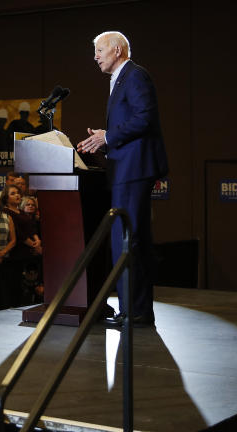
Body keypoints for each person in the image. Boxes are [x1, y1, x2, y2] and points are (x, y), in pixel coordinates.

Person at [76, 31, 168, 327]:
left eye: (99, 50)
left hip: (134, 169)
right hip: (124, 168)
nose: (95, 56)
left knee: (129, 239)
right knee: (126, 238)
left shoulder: (135, 76)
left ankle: (136, 311)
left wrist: (110, 136)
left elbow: (145, 117)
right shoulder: (120, 79)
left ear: (117, 49)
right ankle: (132, 309)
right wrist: (104, 141)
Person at [2, 185, 40, 258]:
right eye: (13, 194)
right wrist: (34, 245)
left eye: (18, 193)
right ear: (6, 198)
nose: (17, 195)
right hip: (17, 250)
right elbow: (18, 234)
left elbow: (31, 228)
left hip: (30, 248)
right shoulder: (6, 211)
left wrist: (37, 240)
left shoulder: (21, 212)